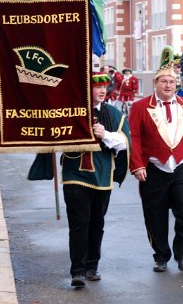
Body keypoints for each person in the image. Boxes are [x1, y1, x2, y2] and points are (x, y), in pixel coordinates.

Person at [129, 48, 183, 273]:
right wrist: (136, 165)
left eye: (172, 82)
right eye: (164, 81)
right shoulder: (140, 107)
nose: (168, 85)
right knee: (155, 216)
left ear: (177, 84)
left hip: (182, 166)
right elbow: (134, 138)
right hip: (154, 167)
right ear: (156, 83)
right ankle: (161, 255)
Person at [61, 72, 131, 288]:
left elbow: (124, 142)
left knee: (96, 223)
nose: (102, 91)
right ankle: (78, 271)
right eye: (96, 87)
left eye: (105, 87)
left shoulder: (113, 114)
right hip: (74, 175)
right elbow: (55, 134)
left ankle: (92, 265)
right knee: (79, 223)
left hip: (102, 176)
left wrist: (105, 135)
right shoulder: (70, 110)